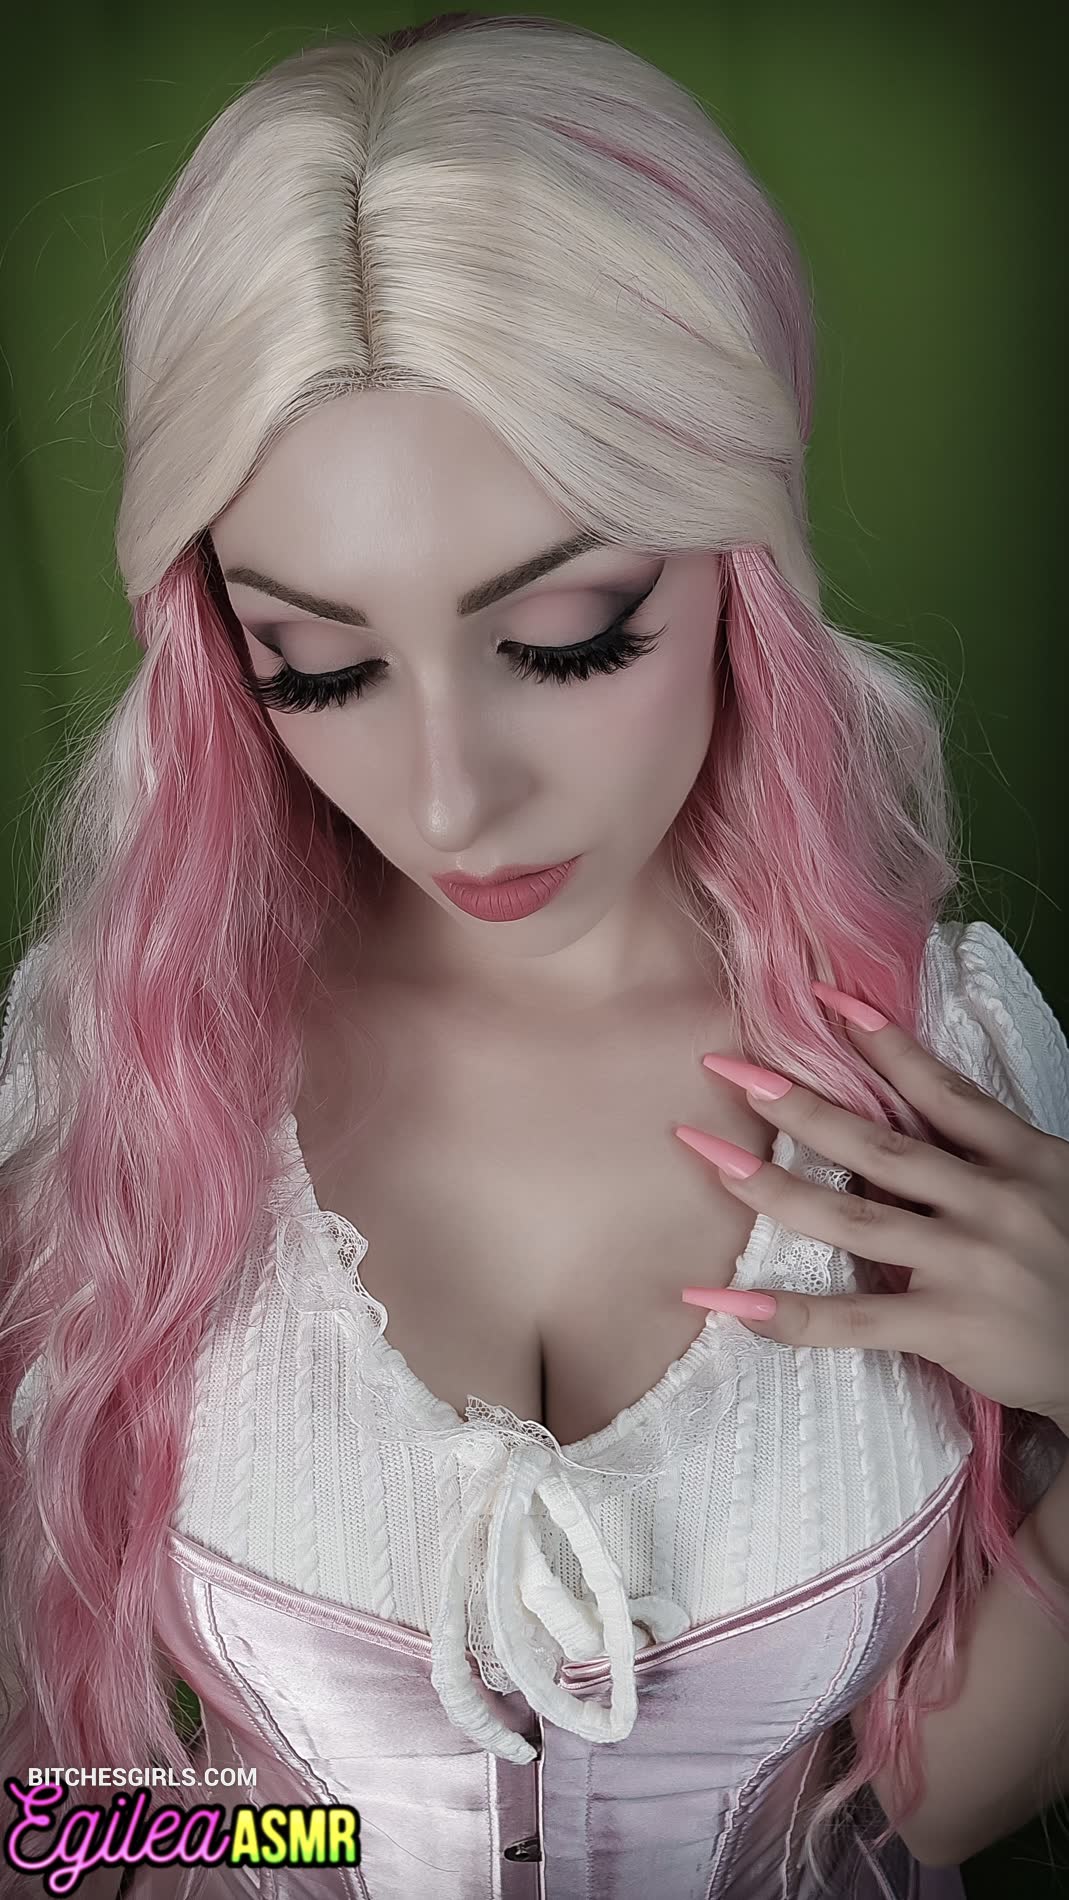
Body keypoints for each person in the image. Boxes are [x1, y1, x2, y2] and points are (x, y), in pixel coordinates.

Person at [2, 12, 1068, 1898]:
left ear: (741, 555)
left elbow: (892, 1829)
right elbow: (37, 1811)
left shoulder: (956, 1059)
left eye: (570, 634)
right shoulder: (109, 1080)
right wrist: (287, 1847)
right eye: (314, 665)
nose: (449, 797)